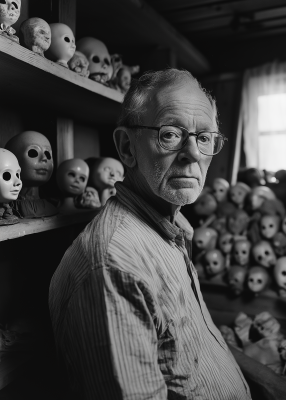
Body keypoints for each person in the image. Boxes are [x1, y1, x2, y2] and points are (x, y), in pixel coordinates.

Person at [48, 69, 251, 400]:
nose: (194, 154)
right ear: (127, 148)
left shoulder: (172, 227)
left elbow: (191, 350)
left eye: (204, 137)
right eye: (170, 134)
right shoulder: (113, 266)